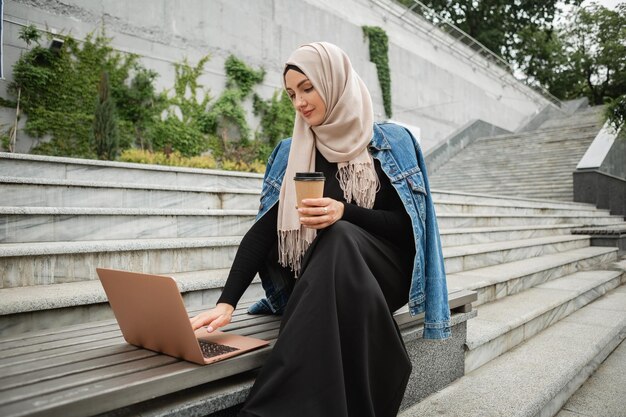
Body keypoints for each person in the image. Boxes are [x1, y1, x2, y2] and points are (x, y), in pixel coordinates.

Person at [190, 41, 450, 417]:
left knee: (340, 235)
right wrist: (226, 302)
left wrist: (345, 211)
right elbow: (266, 229)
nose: (299, 102)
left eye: (308, 88)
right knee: (337, 247)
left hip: (384, 274)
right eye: (291, 94)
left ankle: (265, 410)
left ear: (335, 82)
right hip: (326, 278)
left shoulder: (393, 143)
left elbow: (407, 229)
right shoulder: (293, 150)